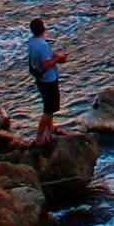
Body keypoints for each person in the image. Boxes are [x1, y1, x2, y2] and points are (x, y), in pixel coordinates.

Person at [26, 17, 67, 146]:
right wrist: (57, 58)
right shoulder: (42, 44)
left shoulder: (32, 42)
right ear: (43, 28)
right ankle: (40, 138)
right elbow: (45, 65)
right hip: (48, 80)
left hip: (41, 80)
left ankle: (51, 130)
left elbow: (39, 60)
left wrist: (53, 56)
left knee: (49, 107)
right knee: (48, 111)